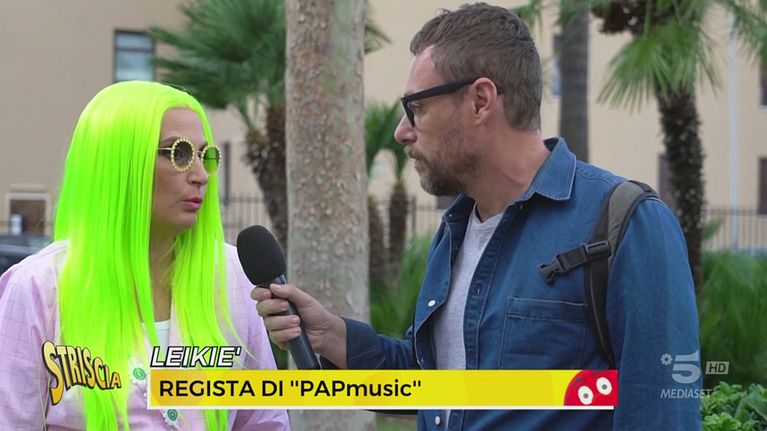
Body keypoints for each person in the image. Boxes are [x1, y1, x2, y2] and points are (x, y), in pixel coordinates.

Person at [254, 3, 701, 430]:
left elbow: (663, 413)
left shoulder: (625, 224)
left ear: (481, 101)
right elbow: (437, 385)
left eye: (416, 108)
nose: (402, 131)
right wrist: (334, 336)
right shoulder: (455, 232)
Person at [0, 81, 290, 430]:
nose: (201, 176)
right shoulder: (39, 286)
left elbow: (263, 420)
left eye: (206, 156)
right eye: (179, 153)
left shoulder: (232, 275)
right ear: (119, 164)